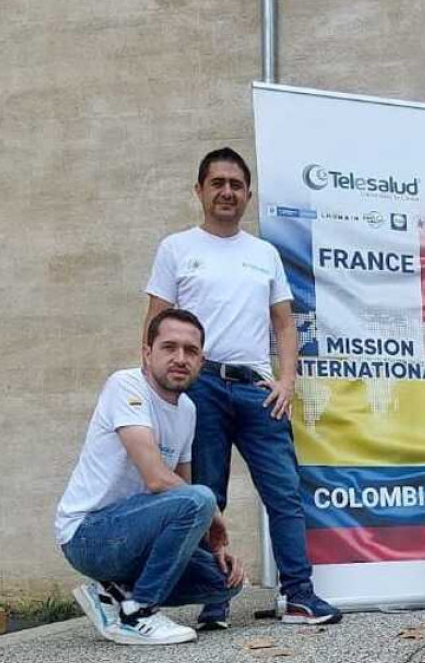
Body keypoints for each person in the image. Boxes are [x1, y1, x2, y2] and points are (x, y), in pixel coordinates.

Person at [144, 147, 341, 628]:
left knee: (285, 493)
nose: (227, 192)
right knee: (206, 497)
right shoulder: (176, 248)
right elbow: (155, 326)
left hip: (257, 389)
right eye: (218, 183)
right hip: (200, 388)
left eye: (236, 185)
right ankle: (215, 600)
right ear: (200, 190)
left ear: (248, 195)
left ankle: (300, 596)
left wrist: (287, 381)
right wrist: (156, 393)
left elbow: (285, 325)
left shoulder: (264, 254)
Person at [55, 308, 245, 646]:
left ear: (201, 361)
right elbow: (159, 480)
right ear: (147, 353)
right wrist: (213, 513)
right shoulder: (126, 385)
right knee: (201, 498)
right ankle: (138, 613)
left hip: (138, 536)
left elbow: (182, 492)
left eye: (191, 351)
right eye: (169, 347)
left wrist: (211, 544)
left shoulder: (187, 410)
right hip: (88, 535)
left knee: (223, 581)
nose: (180, 358)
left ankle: (114, 592)